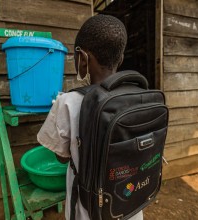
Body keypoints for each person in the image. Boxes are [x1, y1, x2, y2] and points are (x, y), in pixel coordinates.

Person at [37, 15, 144, 220]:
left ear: (83, 59)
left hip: (89, 211)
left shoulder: (69, 101)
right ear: (120, 59)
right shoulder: (136, 95)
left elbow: (60, 157)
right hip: (130, 204)